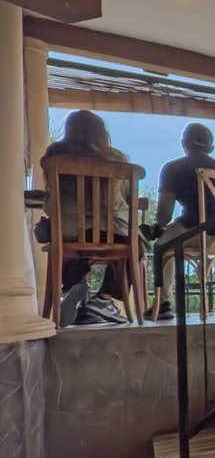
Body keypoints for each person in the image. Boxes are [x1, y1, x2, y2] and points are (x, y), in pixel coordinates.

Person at [36, 110, 142, 325]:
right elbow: (128, 202)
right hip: (111, 232)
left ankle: (73, 283)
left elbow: (50, 203)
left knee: (73, 244)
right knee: (137, 243)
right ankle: (103, 300)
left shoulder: (54, 154)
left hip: (67, 231)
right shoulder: (117, 158)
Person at [150, 123, 215, 320]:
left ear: (183, 144)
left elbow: (163, 215)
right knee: (172, 240)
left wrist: (157, 228)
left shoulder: (173, 168)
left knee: (161, 247)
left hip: (197, 232)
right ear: (211, 148)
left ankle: (163, 303)